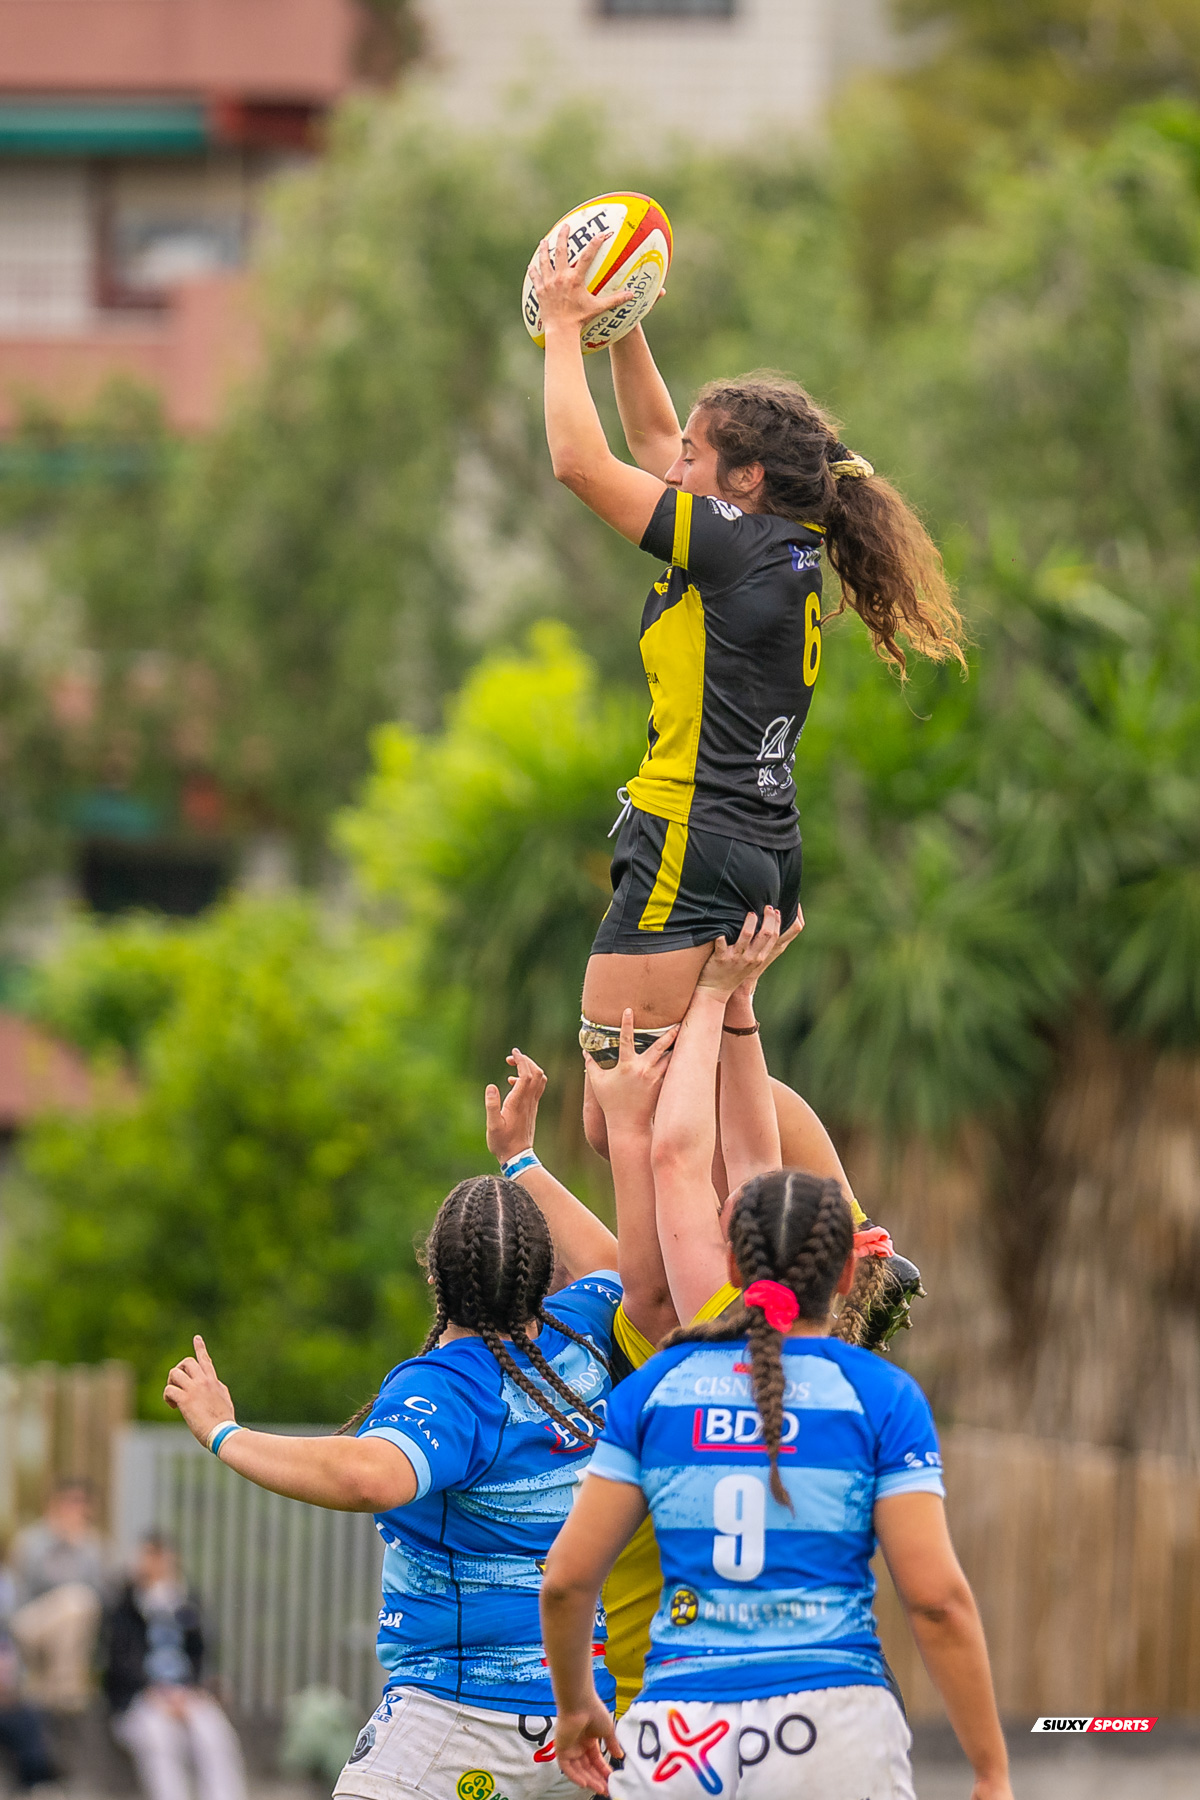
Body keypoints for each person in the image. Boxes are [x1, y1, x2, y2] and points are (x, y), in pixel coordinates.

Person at [530, 223, 946, 1341]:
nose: (676, 464)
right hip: (756, 842)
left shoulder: (733, 547)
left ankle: (693, 1331)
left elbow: (582, 464)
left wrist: (565, 328)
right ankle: (853, 1238)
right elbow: (664, 436)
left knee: (628, 1105)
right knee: (688, 1093)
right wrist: (626, 328)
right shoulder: (783, 536)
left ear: (743, 482)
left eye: (700, 463)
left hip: (688, 841)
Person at [539, 1168, 1013, 1800]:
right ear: (847, 1273)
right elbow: (935, 1601)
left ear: (733, 1265)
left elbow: (567, 1582)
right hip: (832, 1732)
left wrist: (575, 1709)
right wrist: (990, 1770)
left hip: (679, 1736)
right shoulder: (880, 1397)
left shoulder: (655, 1389)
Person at [163, 1158, 625, 1800]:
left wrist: (224, 1433)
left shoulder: (451, 1386)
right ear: (547, 1273)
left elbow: (370, 1476)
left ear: (434, 1276)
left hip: (465, 1718)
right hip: (586, 1714)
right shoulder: (588, 1332)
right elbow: (617, 1268)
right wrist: (523, 1160)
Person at [100, 1534, 245, 1800]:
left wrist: (192, 1690)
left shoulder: (187, 1603)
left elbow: (201, 1654)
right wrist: (151, 1692)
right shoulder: (123, 1606)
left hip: (186, 1695)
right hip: (141, 1699)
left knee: (214, 1735)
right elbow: (117, 1662)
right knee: (160, 1739)